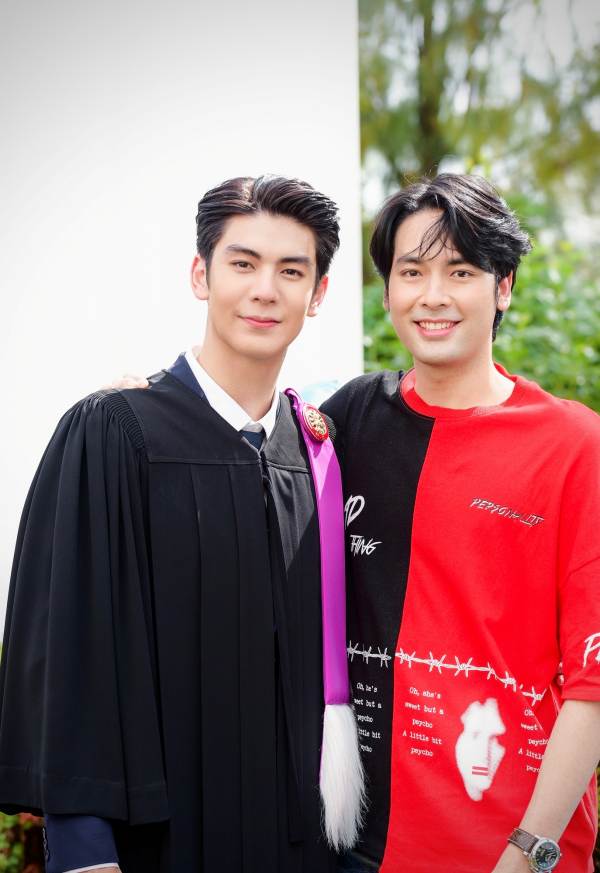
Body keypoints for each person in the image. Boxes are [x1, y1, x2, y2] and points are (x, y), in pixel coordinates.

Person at [0, 175, 364, 873]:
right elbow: (73, 654)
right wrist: (85, 853)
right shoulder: (114, 433)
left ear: (318, 294)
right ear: (201, 275)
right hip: (159, 844)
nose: (265, 290)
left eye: (292, 271)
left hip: (297, 846)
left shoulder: (318, 454)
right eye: (243, 263)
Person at [322, 173, 600, 873]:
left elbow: (593, 683)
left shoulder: (574, 446)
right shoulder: (350, 419)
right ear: (388, 289)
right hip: (358, 847)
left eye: (461, 271)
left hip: (508, 849)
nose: (433, 295)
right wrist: (144, 400)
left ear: (503, 287)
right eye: (411, 272)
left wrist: (527, 850)